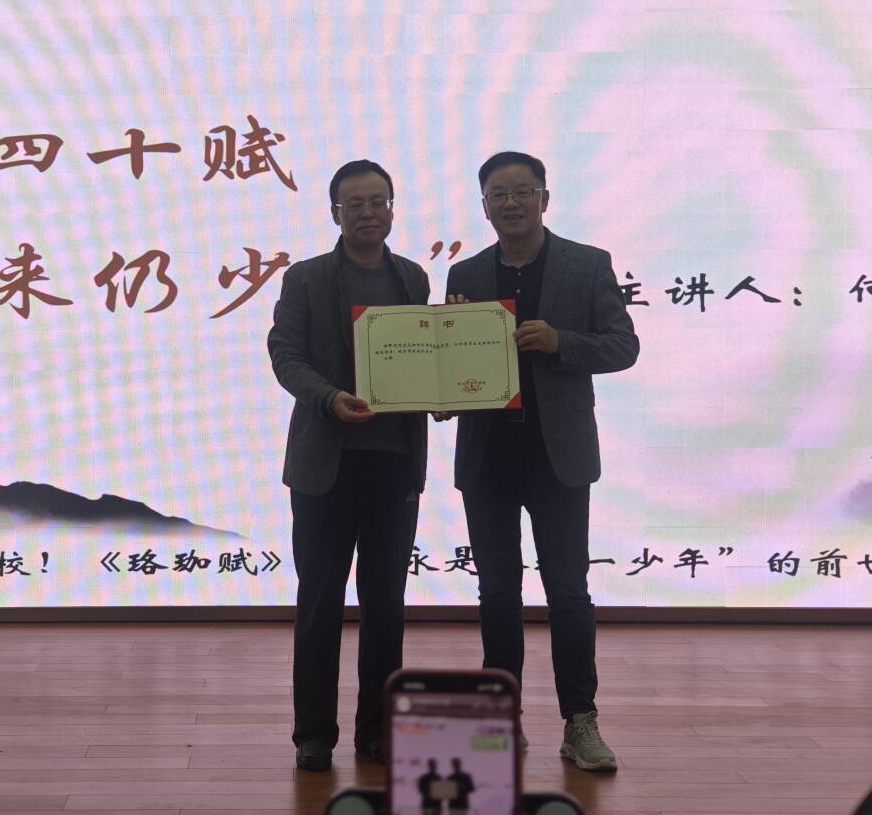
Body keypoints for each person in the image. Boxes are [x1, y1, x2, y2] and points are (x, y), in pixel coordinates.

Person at [441, 151, 639, 772]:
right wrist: (438, 389)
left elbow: (623, 347)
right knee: (497, 592)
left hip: (559, 458)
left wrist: (561, 343)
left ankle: (580, 721)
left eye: (521, 192)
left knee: (569, 592)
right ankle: (502, 717)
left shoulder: (587, 264)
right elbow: (452, 363)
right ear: (484, 206)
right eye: (498, 194)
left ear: (544, 199)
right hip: (488, 457)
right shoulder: (466, 273)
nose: (511, 203)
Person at [267, 159, 429, 772]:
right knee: (319, 604)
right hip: (324, 466)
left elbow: (427, 359)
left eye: (378, 201)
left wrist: (445, 392)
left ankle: (378, 730)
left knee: (386, 604)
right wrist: (329, 398)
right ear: (335, 213)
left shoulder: (412, 277)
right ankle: (313, 734)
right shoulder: (306, 278)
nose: (368, 213)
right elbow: (286, 354)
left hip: (394, 463)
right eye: (354, 204)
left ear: (392, 208)